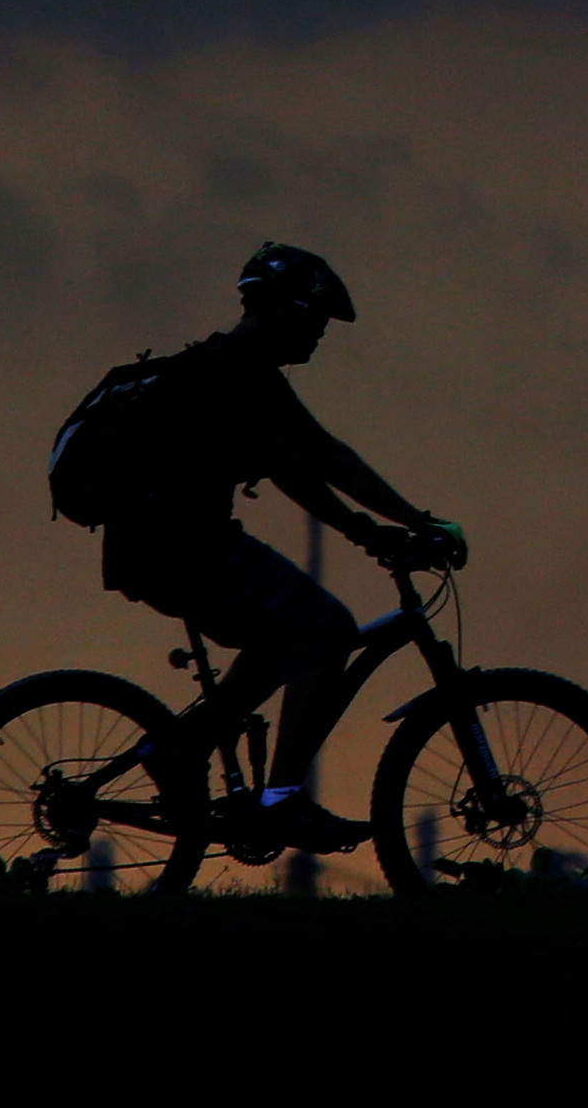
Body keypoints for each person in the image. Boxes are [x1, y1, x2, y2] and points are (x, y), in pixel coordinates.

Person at [98, 241, 467, 852]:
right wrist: (416, 520)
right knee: (326, 628)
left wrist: (367, 531)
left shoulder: (228, 369)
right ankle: (283, 800)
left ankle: (178, 749)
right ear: (284, 311)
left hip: (158, 547)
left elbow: (290, 465)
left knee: (288, 638)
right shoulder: (240, 369)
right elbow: (322, 456)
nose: (320, 336)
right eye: (316, 321)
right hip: (184, 546)